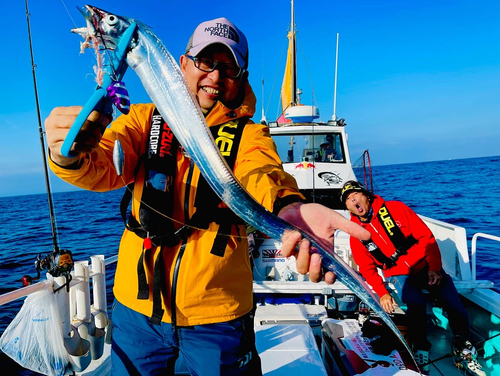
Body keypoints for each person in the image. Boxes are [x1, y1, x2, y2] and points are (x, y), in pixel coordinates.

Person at [45, 17, 369, 375]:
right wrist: (69, 153)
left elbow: (264, 174)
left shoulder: (250, 135)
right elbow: (103, 163)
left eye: (229, 68)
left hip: (218, 319)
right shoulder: (142, 121)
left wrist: (288, 205)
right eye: (205, 62)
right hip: (136, 313)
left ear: (241, 79)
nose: (215, 77)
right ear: (182, 65)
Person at [338, 181, 485, 375]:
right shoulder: (356, 234)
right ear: (348, 208)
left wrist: (435, 268)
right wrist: (382, 293)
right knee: (415, 304)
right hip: (397, 273)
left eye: (355, 194)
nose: (353, 200)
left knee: (453, 302)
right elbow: (367, 268)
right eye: (348, 199)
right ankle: (421, 348)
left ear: (366, 195)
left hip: (425, 265)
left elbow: (426, 237)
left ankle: (462, 344)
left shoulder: (396, 209)